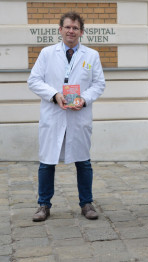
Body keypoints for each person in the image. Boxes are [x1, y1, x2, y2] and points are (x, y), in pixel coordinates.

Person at [27, 11, 105, 222]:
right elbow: (34, 81)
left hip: (79, 116)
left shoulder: (91, 55)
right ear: (60, 30)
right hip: (54, 114)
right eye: (68, 27)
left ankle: (86, 203)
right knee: (47, 162)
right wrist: (55, 95)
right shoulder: (46, 53)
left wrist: (84, 99)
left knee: (83, 161)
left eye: (76, 28)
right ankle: (43, 204)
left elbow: (99, 84)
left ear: (81, 32)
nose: (71, 31)